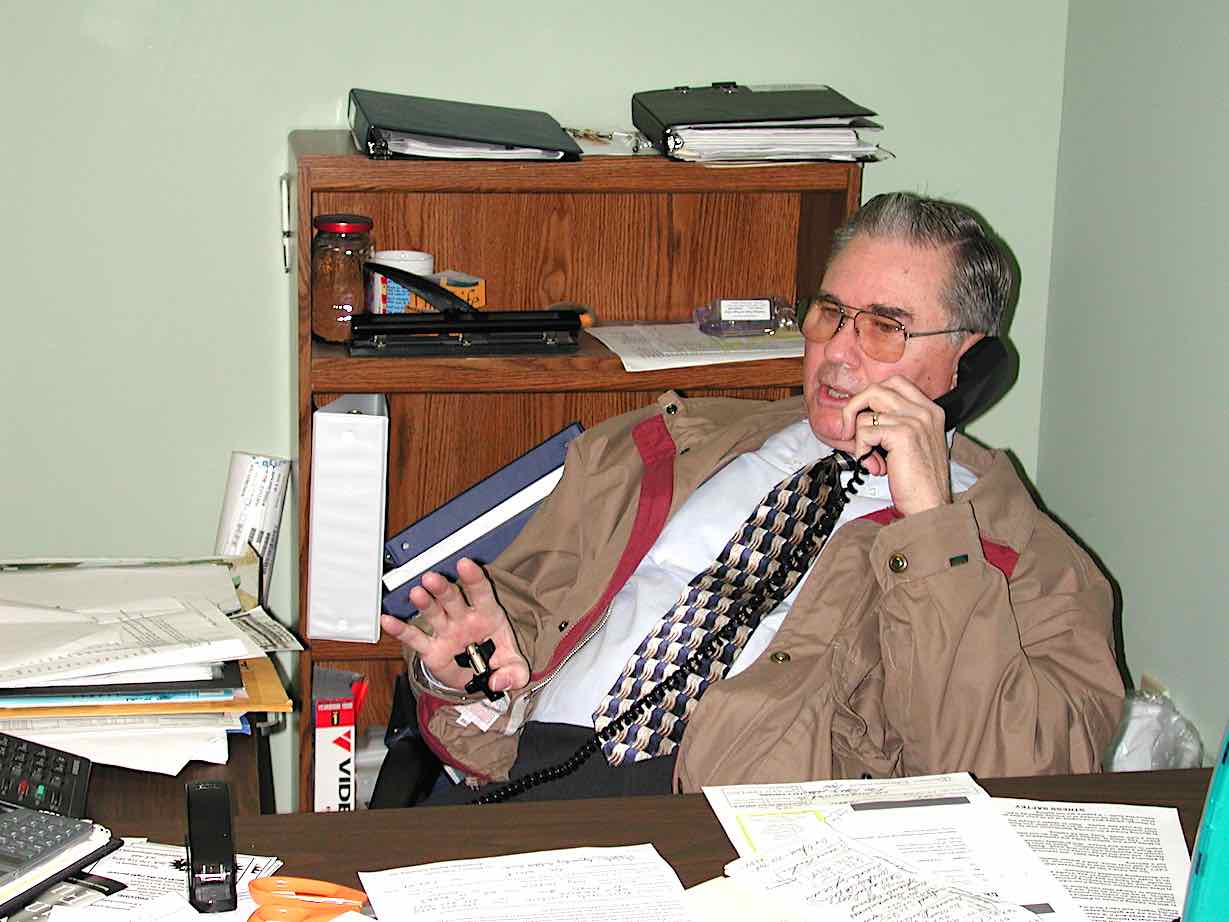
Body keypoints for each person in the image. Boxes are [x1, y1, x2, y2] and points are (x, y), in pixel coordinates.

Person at [380, 192, 1125, 803]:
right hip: (525, 780)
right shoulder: (654, 450)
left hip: (731, 831)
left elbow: (1017, 785)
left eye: (885, 328)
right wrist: (468, 681)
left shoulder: (1026, 560)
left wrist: (931, 526)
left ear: (971, 359)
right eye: (829, 312)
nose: (837, 350)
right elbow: (504, 656)